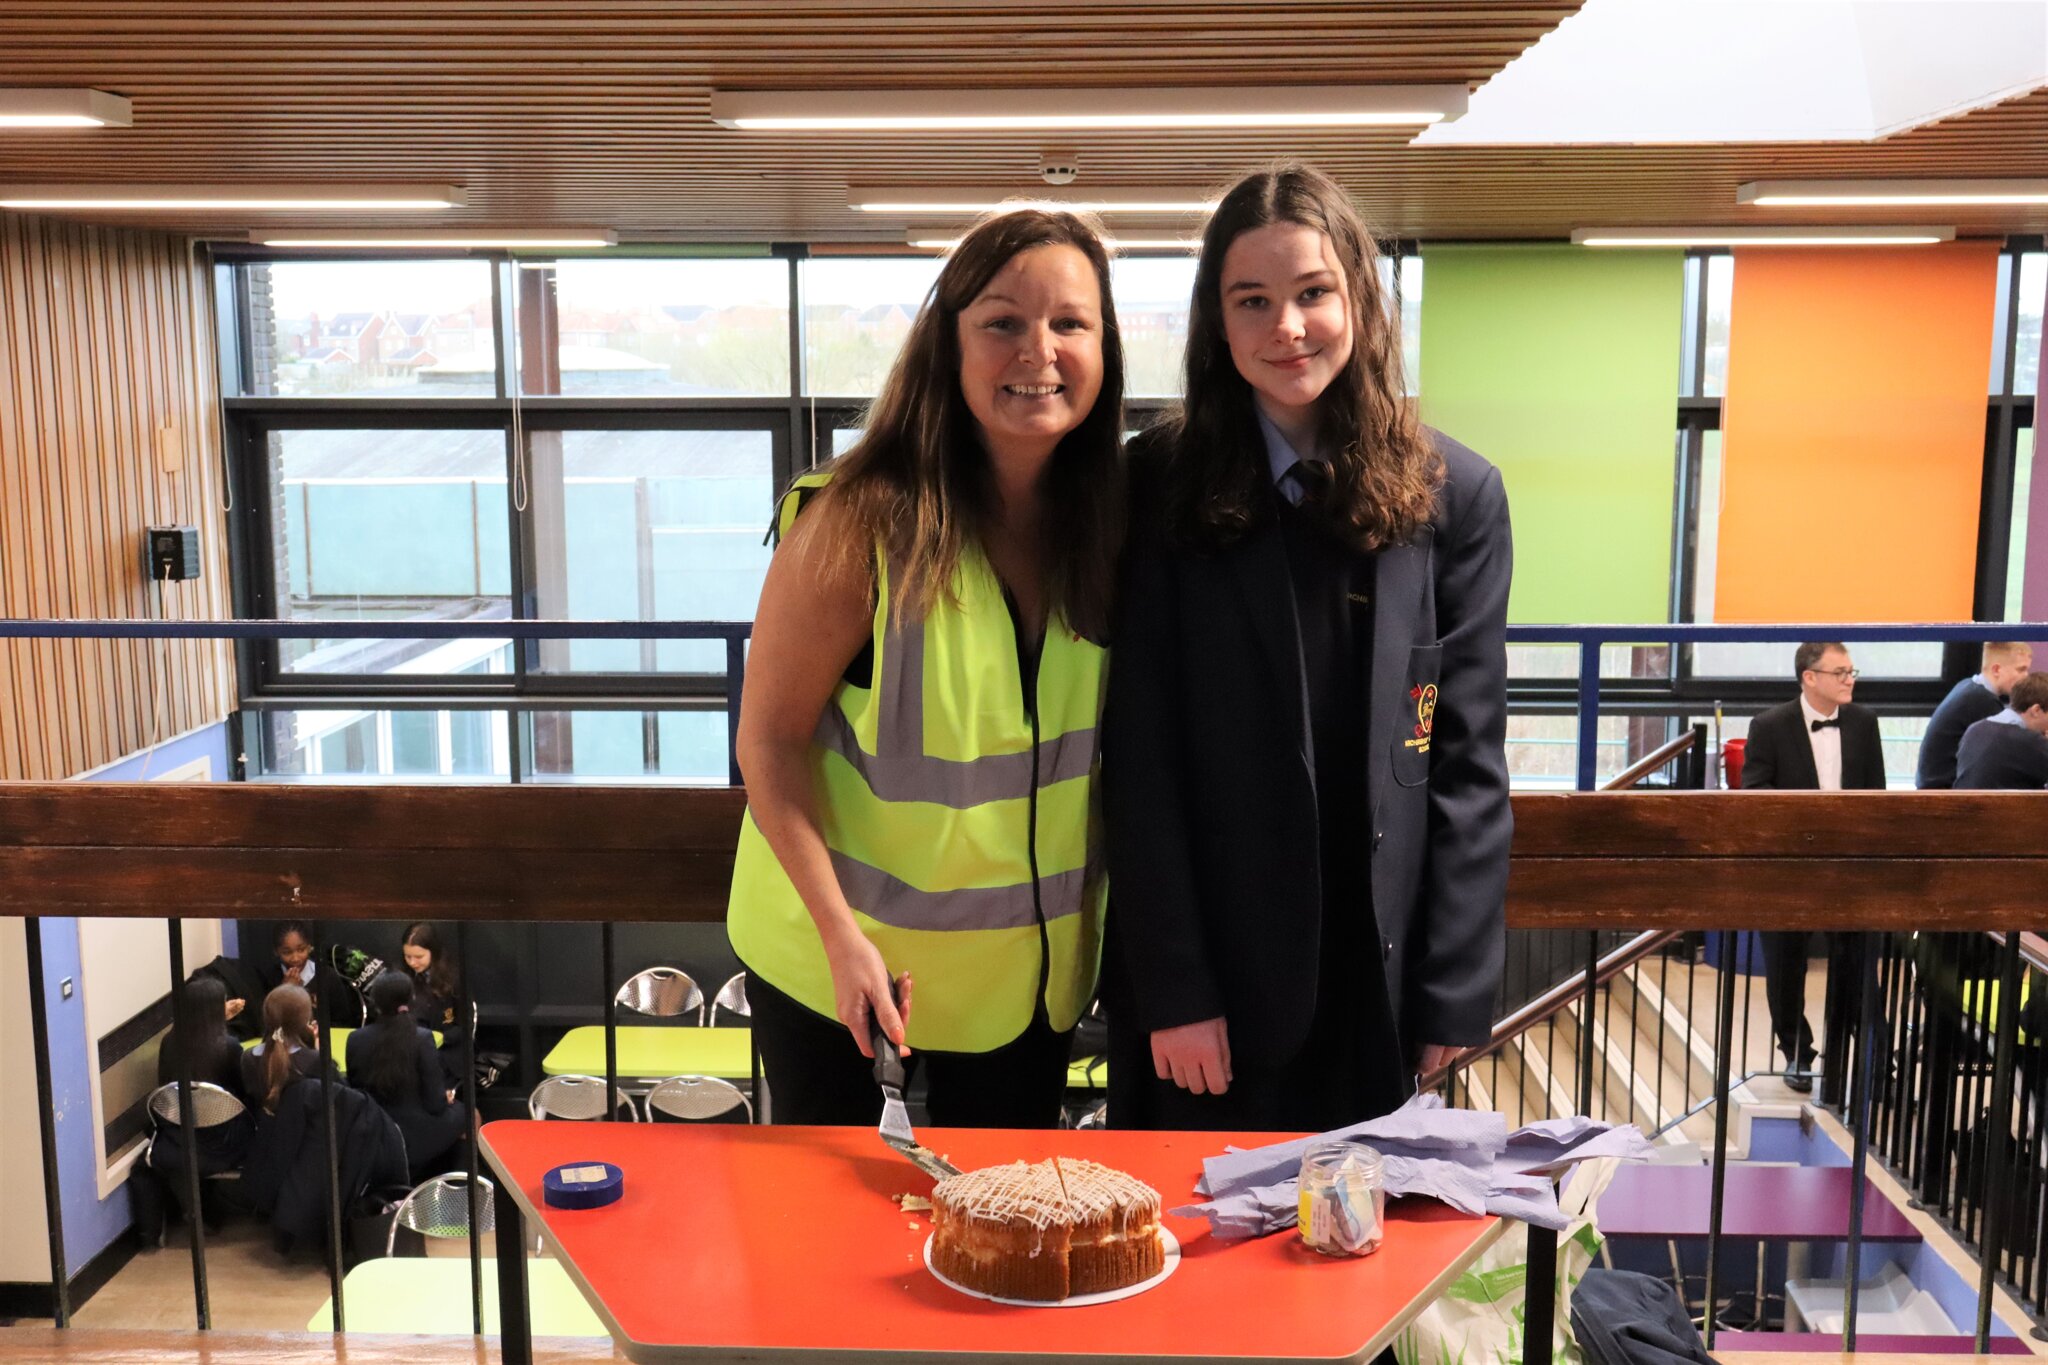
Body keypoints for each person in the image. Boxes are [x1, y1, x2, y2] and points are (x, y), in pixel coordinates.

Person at [1102, 164, 1512, 1133]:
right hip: (1205, 1000)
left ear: (1358, 302)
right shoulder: (1150, 488)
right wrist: (1172, 988)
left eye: (1311, 294)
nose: (1286, 328)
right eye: (1252, 301)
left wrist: (1449, 989)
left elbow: (1463, 759)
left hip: (1375, 987)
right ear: (1217, 319)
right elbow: (1137, 760)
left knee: (1348, 1259)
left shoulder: (1456, 493)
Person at [726, 208, 1125, 1128]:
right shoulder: (858, 521)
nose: (1040, 350)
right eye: (1002, 323)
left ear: (1105, 351)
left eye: (1071, 323)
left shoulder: (1107, 527)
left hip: (1027, 987)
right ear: (946, 345)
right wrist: (838, 936)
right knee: (837, 1257)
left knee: (1004, 1242)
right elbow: (770, 741)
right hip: (846, 972)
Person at [1740, 641, 1886, 1093]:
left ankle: (1867, 1060)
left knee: (1858, 964)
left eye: (1851, 671)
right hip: (1789, 869)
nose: (1850, 679)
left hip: (1848, 868)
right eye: (1840, 672)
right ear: (1809, 677)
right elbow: (1755, 793)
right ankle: (1797, 1054)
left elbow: (1875, 793)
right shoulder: (1769, 726)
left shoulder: (1864, 722)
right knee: (1786, 967)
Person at [136, 975, 252, 1245]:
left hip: (182, 1136)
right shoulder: (230, 1047)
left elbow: (165, 1088)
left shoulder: (169, 1043)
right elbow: (242, 1096)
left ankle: (188, 1215)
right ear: (217, 1009)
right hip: (224, 1141)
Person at [348, 972, 467, 1181]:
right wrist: (446, 1097)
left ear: (374, 1003)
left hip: (373, 1135)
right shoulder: (422, 1038)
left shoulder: (355, 1039)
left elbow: (357, 1094)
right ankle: (458, 1191)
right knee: (468, 1113)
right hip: (414, 1138)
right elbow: (435, 1104)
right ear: (411, 999)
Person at [1918, 642, 2032, 789]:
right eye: (2021, 670)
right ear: (1996, 669)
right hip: (1945, 792)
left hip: (1935, 786)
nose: (2026, 677)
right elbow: (2013, 753)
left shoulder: (1968, 687)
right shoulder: (1982, 703)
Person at [400, 921, 469, 1089]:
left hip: (446, 1052)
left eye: (419, 957)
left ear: (434, 953)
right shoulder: (401, 977)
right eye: (408, 956)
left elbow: (465, 1025)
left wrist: (440, 1038)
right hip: (409, 1052)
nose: (413, 963)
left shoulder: (453, 980)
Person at [1955, 671, 2048, 789]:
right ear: (2036, 710)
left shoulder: (1974, 729)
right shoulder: (2031, 742)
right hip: (2000, 807)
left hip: (1963, 805)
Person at [241, 982, 323, 1115]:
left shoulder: (248, 1057)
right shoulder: (314, 1060)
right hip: (304, 1132)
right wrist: (317, 1052)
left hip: (261, 1132)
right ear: (306, 1020)